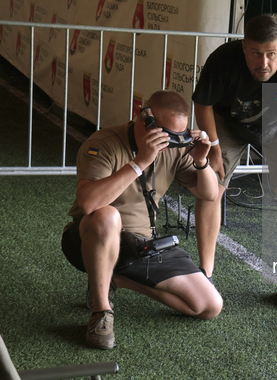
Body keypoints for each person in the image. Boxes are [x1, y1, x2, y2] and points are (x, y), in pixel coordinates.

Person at [61, 90, 223, 350]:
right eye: (165, 135)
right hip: (91, 238)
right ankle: (101, 310)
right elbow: (88, 203)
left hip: (142, 245)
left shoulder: (174, 150)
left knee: (209, 306)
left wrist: (202, 161)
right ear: (144, 118)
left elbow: (210, 193)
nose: (170, 143)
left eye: (176, 137)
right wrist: (139, 162)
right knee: (106, 215)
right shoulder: (103, 143)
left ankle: (118, 279)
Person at [192, 13, 277, 309]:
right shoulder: (223, 59)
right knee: (212, 188)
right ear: (244, 46)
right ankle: (205, 274)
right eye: (256, 54)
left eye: (271, 54)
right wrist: (215, 148)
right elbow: (203, 103)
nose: (263, 63)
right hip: (228, 125)